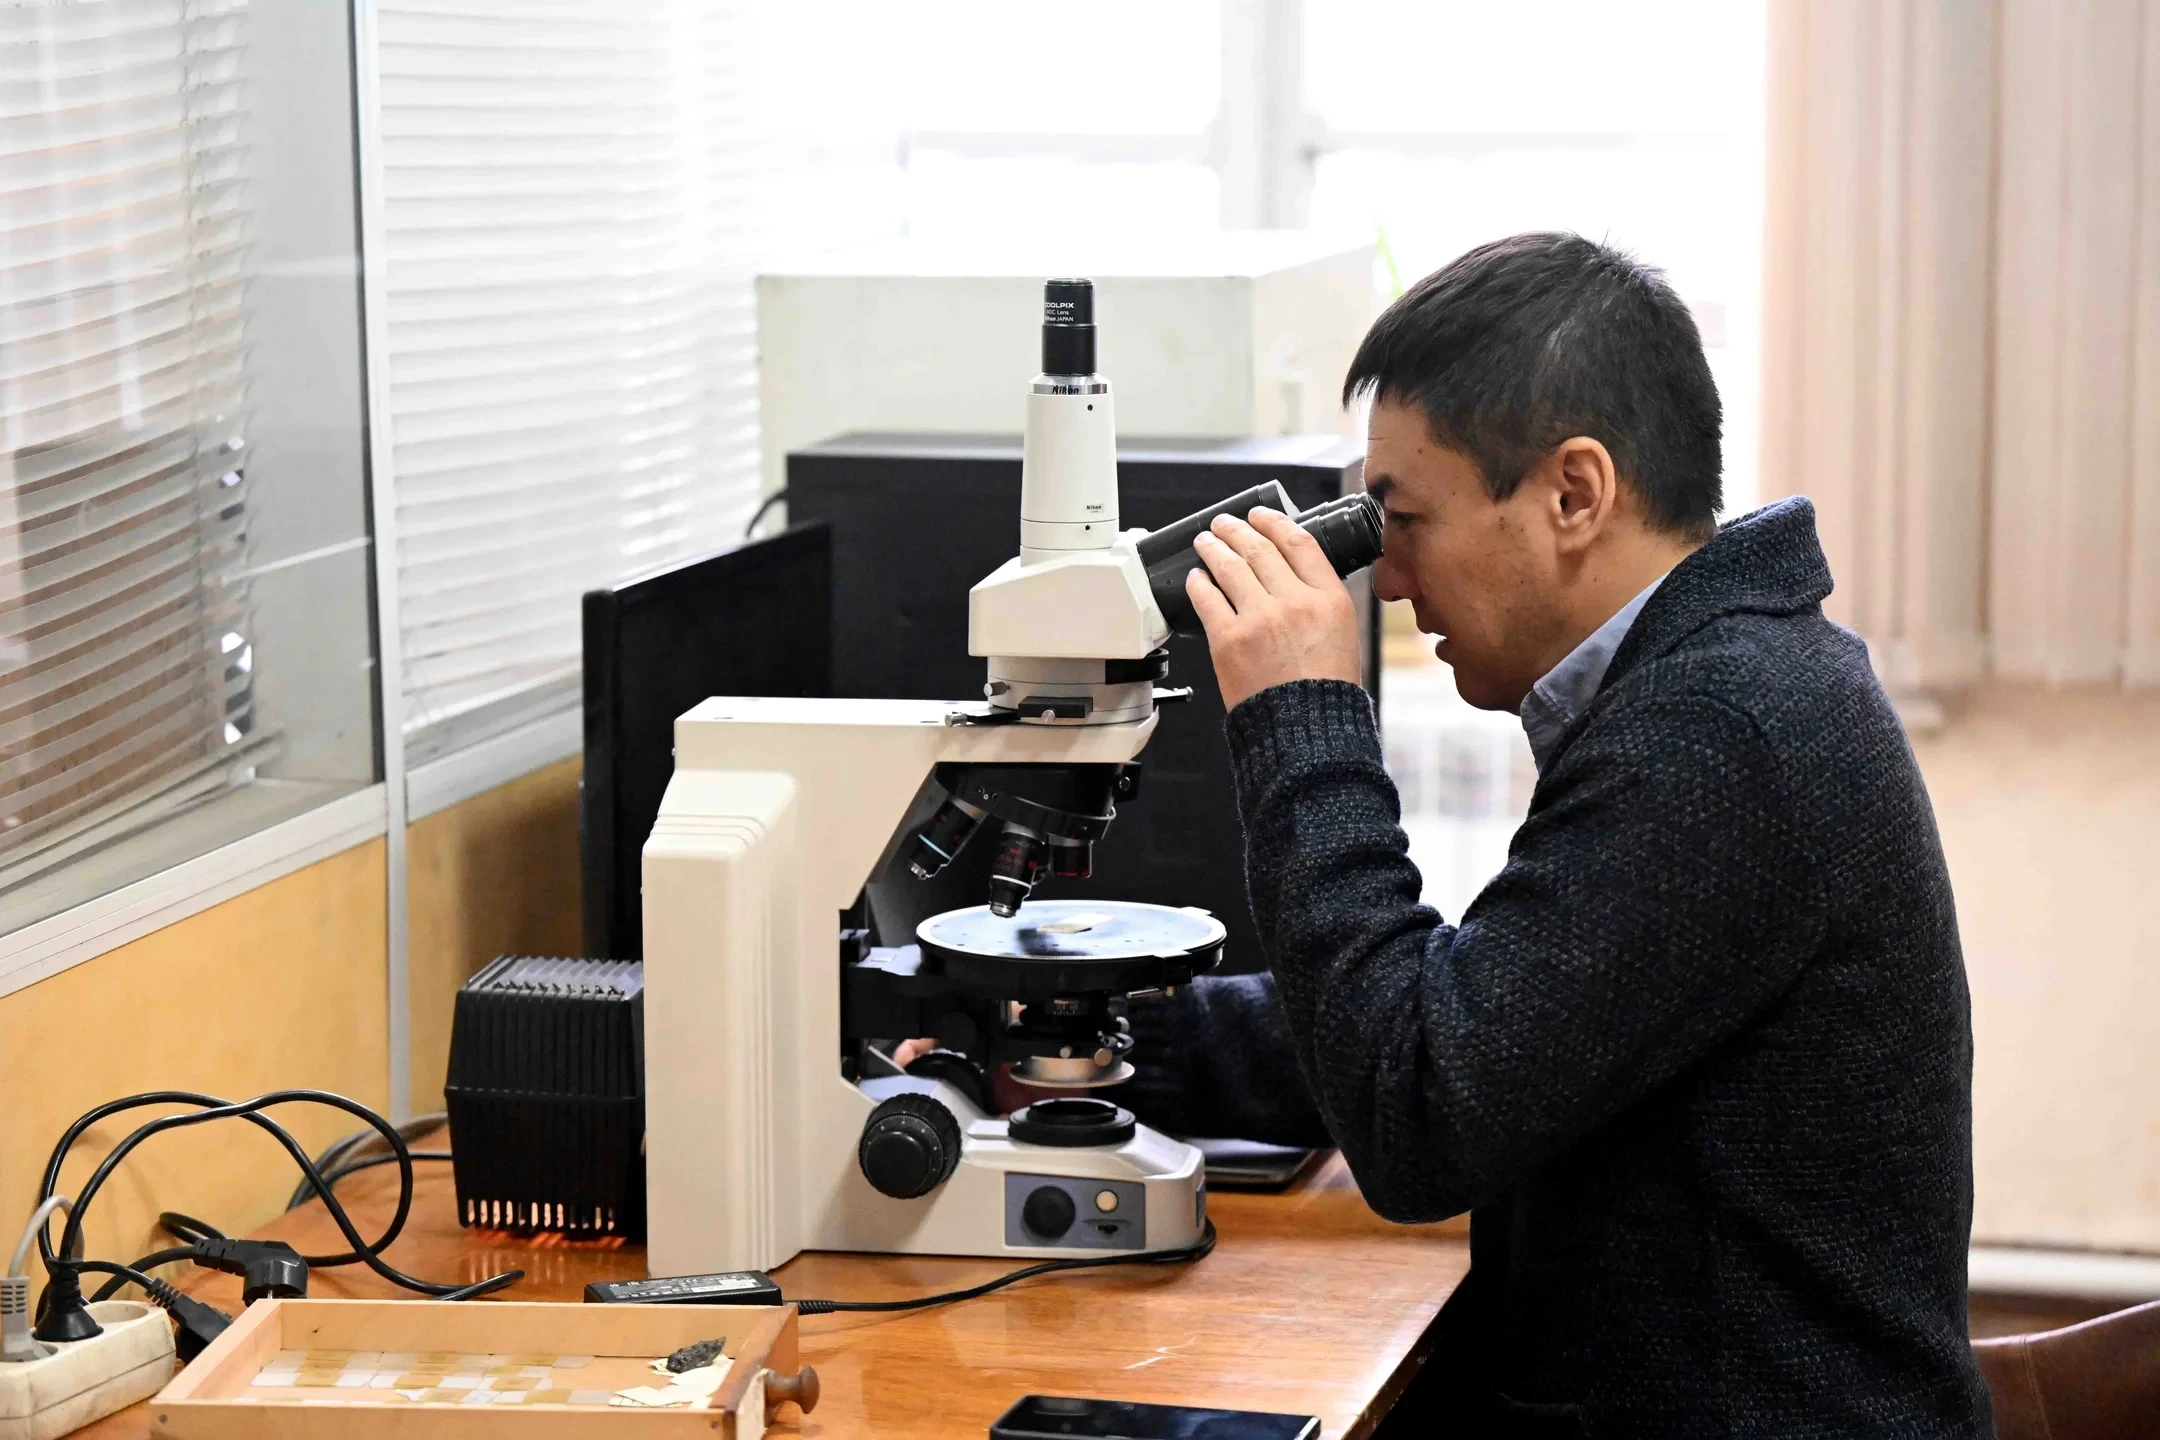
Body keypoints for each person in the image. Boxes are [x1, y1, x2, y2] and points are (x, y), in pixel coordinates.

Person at [1118, 233, 1992, 1438]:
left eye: (1402, 518)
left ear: (1575, 493)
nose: (1387, 578)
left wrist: (1302, 717)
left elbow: (1417, 1114)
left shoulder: (1723, 732)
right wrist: (1101, 1039)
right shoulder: (1724, 682)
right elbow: (1492, 1016)